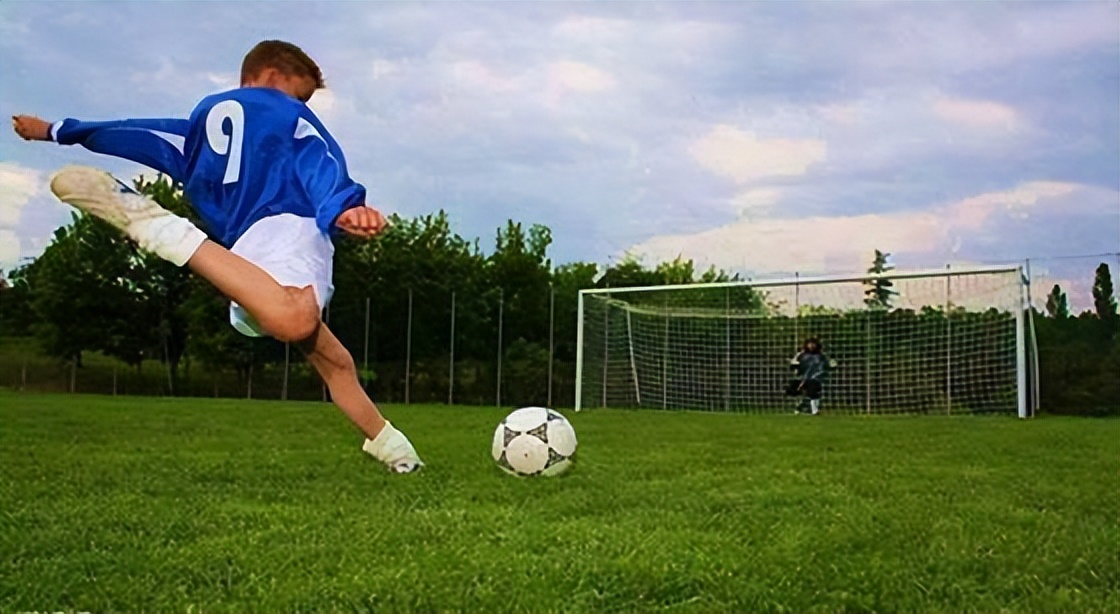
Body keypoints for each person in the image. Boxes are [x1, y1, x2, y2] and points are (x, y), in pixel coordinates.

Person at [12, 40, 423, 473]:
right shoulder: (286, 115)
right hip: (291, 230)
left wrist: (57, 130)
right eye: (299, 95)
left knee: (333, 360)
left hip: (241, 259)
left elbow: (134, 133)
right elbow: (317, 158)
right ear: (272, 75)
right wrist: (344, 206)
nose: (299, 105)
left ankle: (394, 450)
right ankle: (166, 233)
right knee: (296, 319)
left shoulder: (200, 126)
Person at [784, 337, 836, 415]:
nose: (811, 346)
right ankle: (802, 404)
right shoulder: (801, 355)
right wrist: (794, 365)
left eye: (813, 344)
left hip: (816, 379)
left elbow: (831, 365)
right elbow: (793, 364)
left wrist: (830, 367)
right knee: (790, 391)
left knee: (812, 390)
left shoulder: (822, 356)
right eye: (809, 344)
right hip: (802, 378)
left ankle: (814, 410)